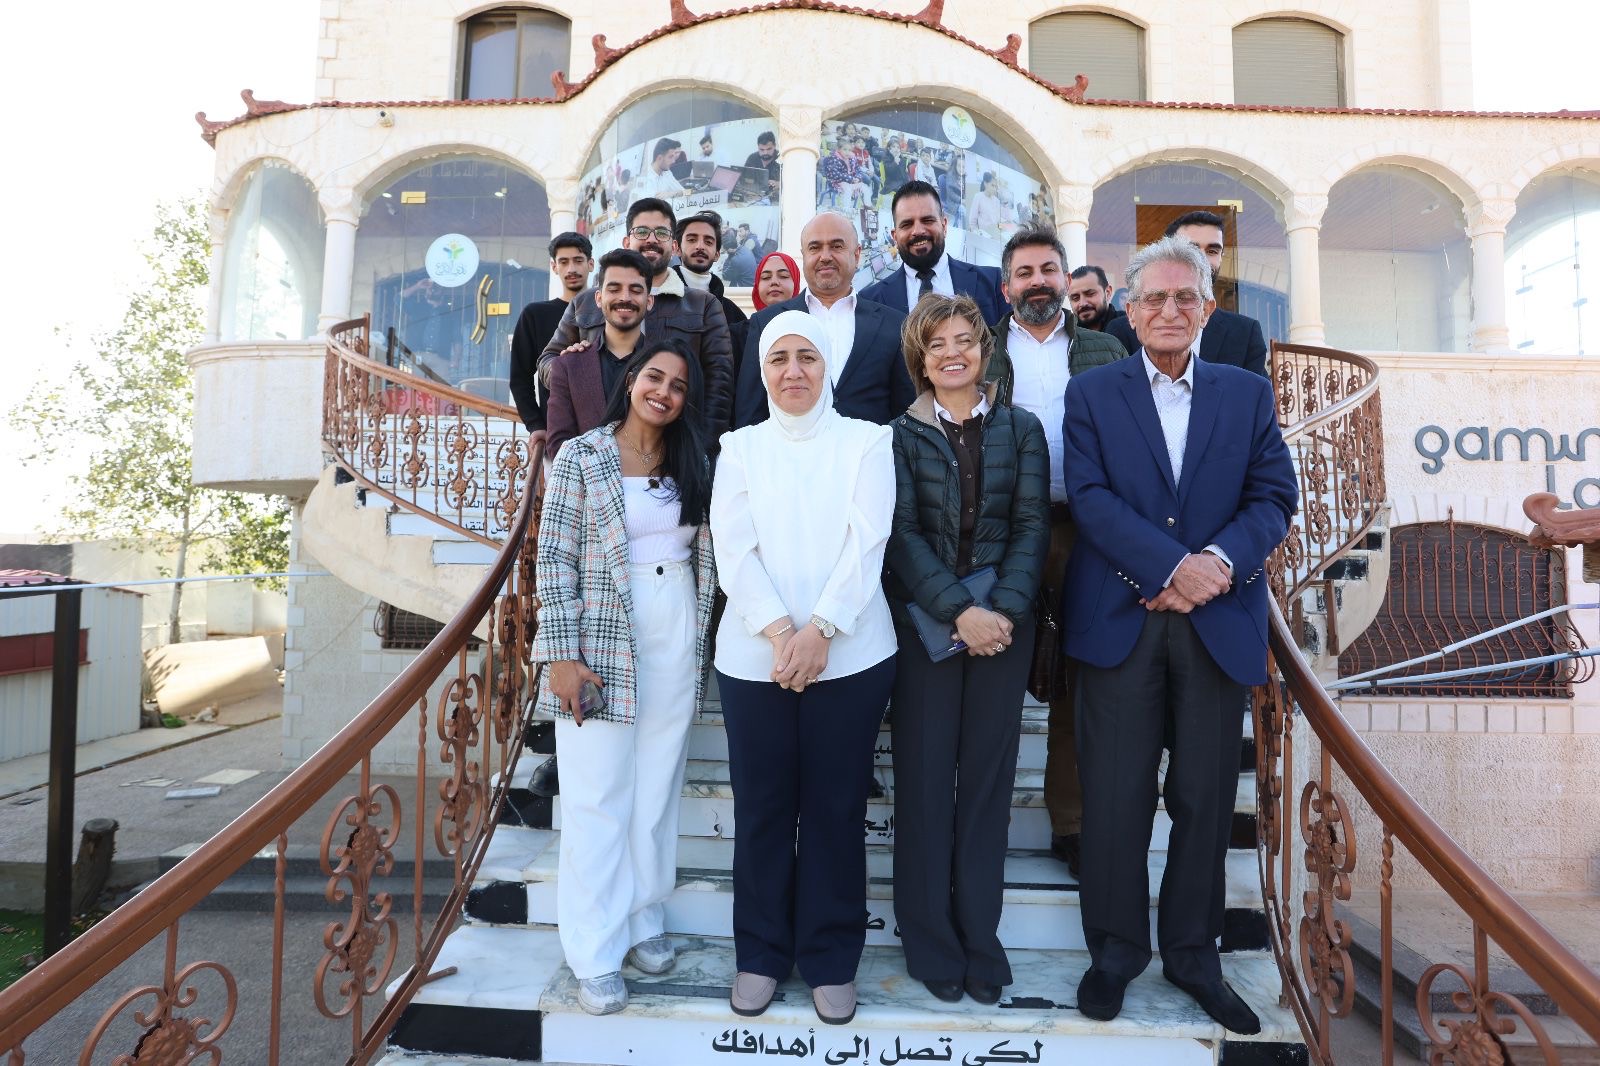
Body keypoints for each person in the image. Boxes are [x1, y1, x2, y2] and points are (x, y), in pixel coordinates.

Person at [1062, 235, 1296, 1033]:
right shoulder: (1093, 393)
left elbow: (1273, 496)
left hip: (1216, 622)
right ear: (1129, 312)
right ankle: (1115, 953)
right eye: (1154, 298)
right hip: (1121, 620)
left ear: (1207, 309)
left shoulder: (1246, 393)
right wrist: (1170, 569)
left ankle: (1193, 957)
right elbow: (1090, 498)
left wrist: (1215, 566)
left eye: (1184, 297)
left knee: (1202, 799)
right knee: (1116, 798)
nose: (1169, 310)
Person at [712, 310, 897, 1026]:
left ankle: (829, 958)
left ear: (827, 367)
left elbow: (868, 540)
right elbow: (733, 550)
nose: (793, 371)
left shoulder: (867, 441)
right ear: (762, 371)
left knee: (834, 810)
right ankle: (760, 954)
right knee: (762, 810)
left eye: (807, 357)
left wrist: (820, 630)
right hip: (754, 658)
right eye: (779, 358)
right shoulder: (739, 447)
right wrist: (782, 631)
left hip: (851, 656)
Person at [531, 339, 717, 1017]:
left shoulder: (694, 458)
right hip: (605, 624)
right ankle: (594, 949)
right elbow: (553, 556)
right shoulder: (583, 454)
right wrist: (560, 653)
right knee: (598, 793)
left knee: (657, 787)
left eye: (678, 385)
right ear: (631, 379)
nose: (664, 392)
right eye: (654, 377)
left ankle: (643, 917)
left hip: (676, 621)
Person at [884, 295, 1049, 1006]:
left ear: (984, 349)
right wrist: (959, 610)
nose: (953, 353)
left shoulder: (1022, 428)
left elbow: (1032, 526)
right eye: (937, 344)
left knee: (986, 787)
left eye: (964, 340)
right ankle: (930, 941)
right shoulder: (896, 436)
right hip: (925, 630)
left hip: (1003, 633)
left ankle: (981, 939)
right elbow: (900, 535)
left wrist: (999, 613)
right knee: (924, 786)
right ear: (920, 360)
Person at [983, 226, 1126, 879]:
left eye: (1048, 269)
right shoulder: (981, 349)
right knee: (994, 677)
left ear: (1066, 279)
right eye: (1025, 272)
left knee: (1078, 682)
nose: (1037, 281)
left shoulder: (1105, 349)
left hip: (1084, 530)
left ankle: (1070, 823)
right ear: (1006, 286)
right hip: (1003, 532)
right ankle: (983, 822)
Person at [542, 198, 735, 440]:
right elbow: (548, 360)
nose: (651, 239)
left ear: (674, 245)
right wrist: (573, 365)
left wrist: (704, 446)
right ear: (627, 241)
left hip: (674, 444)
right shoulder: (585, 302)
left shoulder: (703, 305)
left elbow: (720, 384)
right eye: (642, 231)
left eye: (661, 233)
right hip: (595, 441)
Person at [734, 211, 914, 428]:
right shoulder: (766, 323)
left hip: (872, 449)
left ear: (857, 254)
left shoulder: (894, 325)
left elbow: (906, 415)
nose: (825, 256)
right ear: (804, 255)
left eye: (837, 246)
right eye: (815, 247)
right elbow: (749, 415)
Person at [1103, 211, 1269, 378]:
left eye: (1212, 251)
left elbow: (1255, 393)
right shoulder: (1121, 331)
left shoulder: (1245, 334)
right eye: (1190, 249)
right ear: (1168, 253)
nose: (1202, 258)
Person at [545, 249, 653, 458]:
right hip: (584, 478)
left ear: (649, 301)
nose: (625, 297)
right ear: (598, 298)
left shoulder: (666, 364)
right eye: (614, 289)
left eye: (635, 290)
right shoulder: (568, 366)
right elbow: (559, 446)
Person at [860, 180, 1007, 323]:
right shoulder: (870, 301)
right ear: (895, 237)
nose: (918, 231)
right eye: (907, 224)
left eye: (927, 220)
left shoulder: (993, 282)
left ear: (944, 226)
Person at [510, 232, 592, 442]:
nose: (571, 268)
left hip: (605, 431)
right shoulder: (535, 315)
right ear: (554, 267)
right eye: (563, 262)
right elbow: (520, 378)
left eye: (578, 260)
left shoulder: (607, 313)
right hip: (556, 434)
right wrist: (535, 424)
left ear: (590, 264)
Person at [1067, 265, 1126, 336]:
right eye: (1075, 298)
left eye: (1090, 294)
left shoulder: (1130, 326)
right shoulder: (1065, 334)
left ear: (1107, 293)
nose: (1082, 303)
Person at [745, 130, 782, 199]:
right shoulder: (752, 158)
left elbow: (793, 182)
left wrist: (779, 184)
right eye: (762, 150)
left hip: (776, 199)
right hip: (753, 197)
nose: (765, 153)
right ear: (758, 147)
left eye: (769, 149)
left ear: (774, 146)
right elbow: (744, 180)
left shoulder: (782, 159)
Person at [969, 172, 1004, 237]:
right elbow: (972, 221)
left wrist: (1001, 232)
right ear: (985, 184)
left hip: (995, 233)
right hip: (983, 234)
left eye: (995, 186)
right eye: (992, 185)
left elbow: (999, 221)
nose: (994, 189)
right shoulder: (978, 197)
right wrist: (976, 234)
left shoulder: (997, 201)